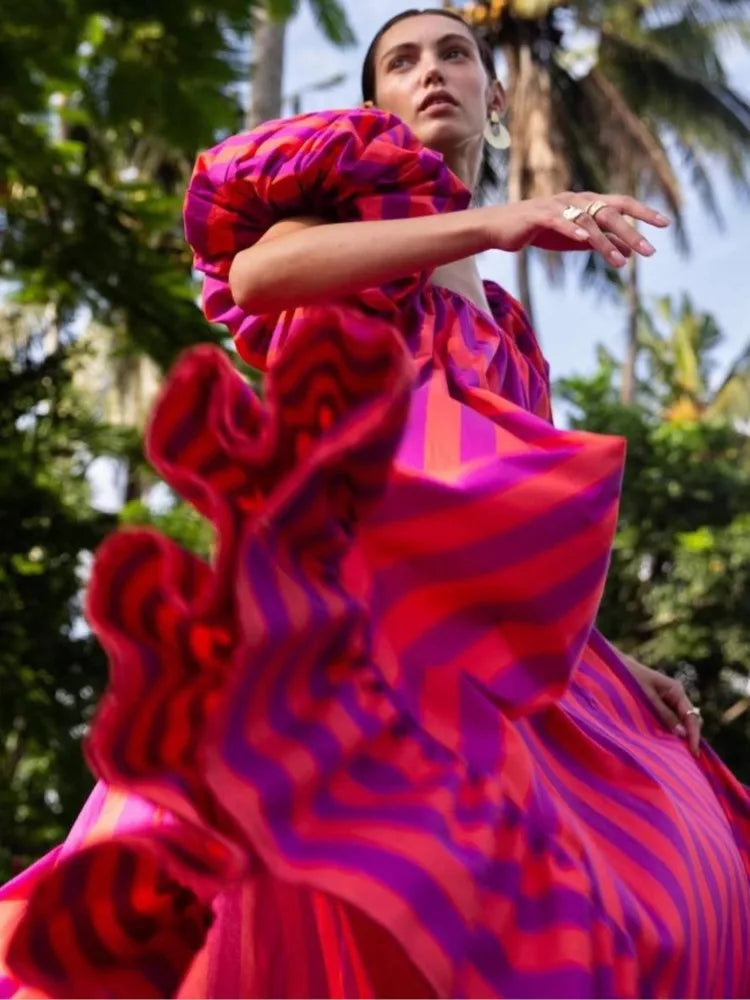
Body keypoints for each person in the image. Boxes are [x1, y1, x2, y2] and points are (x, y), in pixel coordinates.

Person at [1, 7, 749, 998]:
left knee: (664, 857)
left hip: (471, 641)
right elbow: (259, 272)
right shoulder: (363, 202)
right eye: (402, 60)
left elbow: (499, 538)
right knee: (277, 875)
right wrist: (503, 219)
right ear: (375, 104)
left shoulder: (513, 331)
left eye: (456, 55)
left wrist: (613, 659)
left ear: (493, 101)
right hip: (352, 602)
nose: (432, 70)